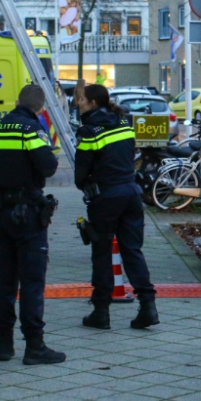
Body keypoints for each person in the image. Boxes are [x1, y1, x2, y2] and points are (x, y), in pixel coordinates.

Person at [0, 84, 63, 365]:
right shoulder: (31, 130)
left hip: (1, 213)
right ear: (40, 108)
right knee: (31, 281)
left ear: (17, 101)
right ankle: (34, 346)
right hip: (28, 213)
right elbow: (49, 166)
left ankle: (4, 344)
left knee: (5, 280)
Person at [75, 84, 157, 331]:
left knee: (101, 254)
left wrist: (91, 184)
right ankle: (148, 307)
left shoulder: (89, 132)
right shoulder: (123, 125)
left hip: (106, 198)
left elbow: (80, 176)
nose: (78, 103)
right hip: (131, 194)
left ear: (93, 103)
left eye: (81, 99)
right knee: (132, 251)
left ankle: (101, 312)